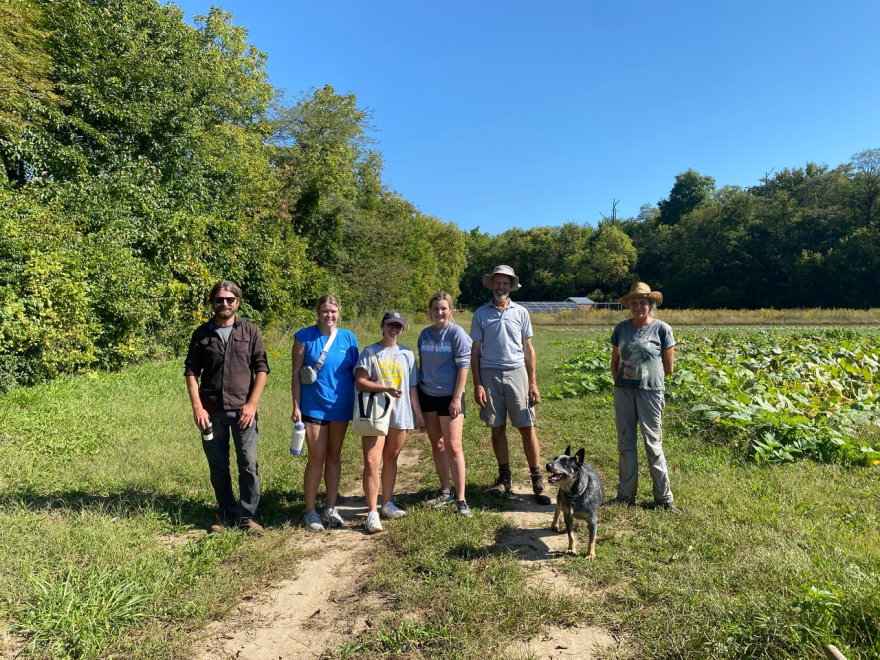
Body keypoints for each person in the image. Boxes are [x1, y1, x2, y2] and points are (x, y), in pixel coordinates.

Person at [185, 280, 270, 534]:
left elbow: (262, 369)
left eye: (229, 299)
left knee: (248, 462)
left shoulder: (250, 331)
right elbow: (191, 373)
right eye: (220, 299)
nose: (224, 303)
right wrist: (198, 409)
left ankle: (248, 516)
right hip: (211, 412)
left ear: (237, 303)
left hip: (244, 410)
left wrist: (252, 405)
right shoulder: (201, 334)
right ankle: (226, 514)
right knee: (218, 464)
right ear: (212, 302)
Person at [470, 265, 551, 505]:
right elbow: (475, 352)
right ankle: (504, 478)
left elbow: (528, 348)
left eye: (505, 283)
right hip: (489, 374)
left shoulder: (521, 312)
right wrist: (478, 384)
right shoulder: (481, 314)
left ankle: (537, 480)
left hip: (517, 374)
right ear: (492, 284)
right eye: (497, 282)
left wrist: (533, 382)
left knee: (527, 426)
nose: (501, 287)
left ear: (511, 286)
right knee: (497, 427)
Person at [610, 282, 680, 513]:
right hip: (623, 391)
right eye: (634, 303)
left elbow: (668, 367)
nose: (638, 306)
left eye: (643, 302)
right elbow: (615, 362)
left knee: (653, 443)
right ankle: (625, 495)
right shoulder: (621, 328)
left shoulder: (662, 329)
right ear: (629, 305)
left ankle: (664, 498)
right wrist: (623, 382)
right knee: (625, 443)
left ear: (650, 305)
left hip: (650, 391)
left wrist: (647, 379)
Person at [292, 294, 360, 532]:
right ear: (318, 312)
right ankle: (309, 511)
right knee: (316, 457)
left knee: (334, 456)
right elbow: (296, 373)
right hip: (313, 406)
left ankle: (331, 507)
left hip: (341, 406)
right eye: (325, 311)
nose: (329, 315)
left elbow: (357, 373)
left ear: (339, 312)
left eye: (333, 311)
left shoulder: (349, 338)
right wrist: (296, 406)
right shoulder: (304, 337)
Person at [355, 311, 425, 533]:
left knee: (392, 458)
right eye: (391, 324)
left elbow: (412, 386)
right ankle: (372, 512)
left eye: (399, 326)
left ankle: (386, 503)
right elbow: (360, 382)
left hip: (400, 413)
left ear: (402, 329)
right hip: (376, 413)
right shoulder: (370, 352)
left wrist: (418, 413)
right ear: (382, 325)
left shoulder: (407, 353)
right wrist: (385, 388)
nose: (394, 329)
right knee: (371, 462)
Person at [417, 292, 473, 518]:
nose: (439, 313)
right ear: (430, 311)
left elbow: (463, 367)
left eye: (444, 308)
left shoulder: (456, 333)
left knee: (453, 446)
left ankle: (461, 499)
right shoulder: (424, 335)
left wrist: (457, 398)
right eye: (435, 309)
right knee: (437, 444)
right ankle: (445, 491)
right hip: (428, 394)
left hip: (450, 397)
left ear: (450, 310)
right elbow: (422, 366)